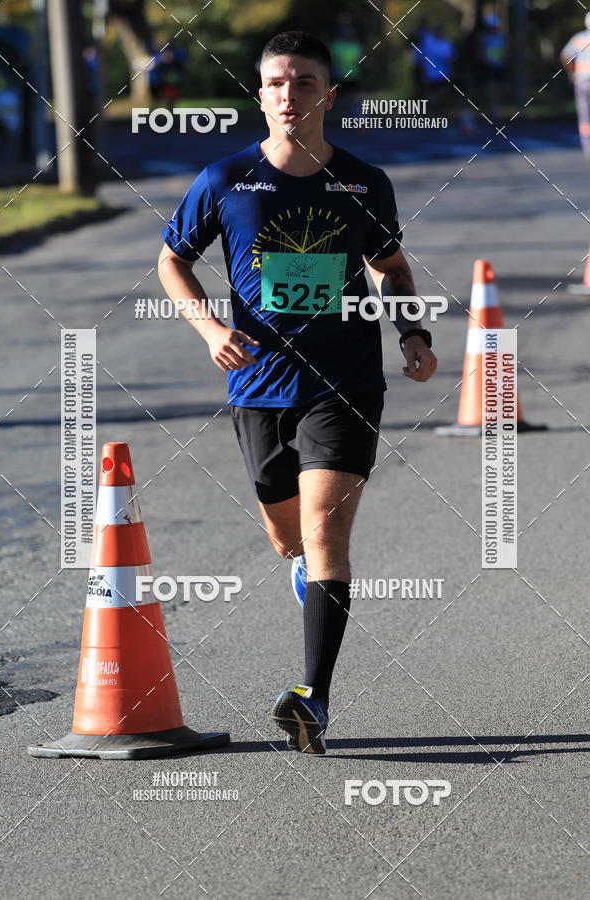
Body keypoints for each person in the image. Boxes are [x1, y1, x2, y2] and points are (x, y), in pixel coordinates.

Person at [158, 31, 437, 754]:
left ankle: (313, 697)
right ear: (260, 94)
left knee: (324, 532)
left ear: (328, 96)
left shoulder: (364, 182)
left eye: (306, 83)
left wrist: (412, 332)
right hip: (257, 384)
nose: (291, 95)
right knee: (288, 536)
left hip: (344, 382)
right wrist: (206, 326)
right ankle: (303, 578)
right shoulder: (223, 181)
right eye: (278, 83)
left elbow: (390, 264)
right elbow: (171, 261)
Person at [561, 13, 590, 159]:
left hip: (582, 82)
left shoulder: (579, 38)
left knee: (585, 116)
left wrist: (573, 73)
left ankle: (588, 149)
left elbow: (565, 55)